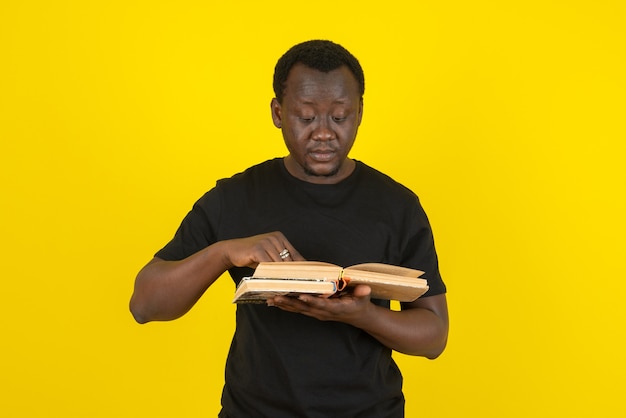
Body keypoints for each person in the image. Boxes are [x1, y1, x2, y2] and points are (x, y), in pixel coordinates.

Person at [130, 39, 448, 417]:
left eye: (340, 116)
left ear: (360, 111)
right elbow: (144, 304)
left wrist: (363, 315)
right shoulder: (234, 197)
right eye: (307, 117)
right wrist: (224, 252)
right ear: (278, 113)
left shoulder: (398, 206)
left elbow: (434, 336)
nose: (325, 133)